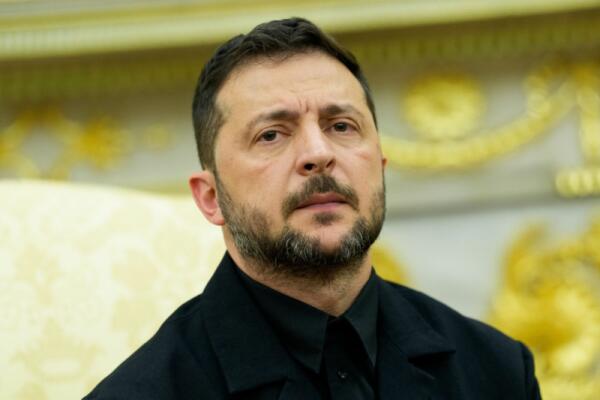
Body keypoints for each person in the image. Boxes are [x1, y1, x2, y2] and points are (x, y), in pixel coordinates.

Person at [85, 17, 541, 399]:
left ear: (379, 168)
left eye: (341, 126)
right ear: (211, 197)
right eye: (271, 134)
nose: (318, 154)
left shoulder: (496, 370)